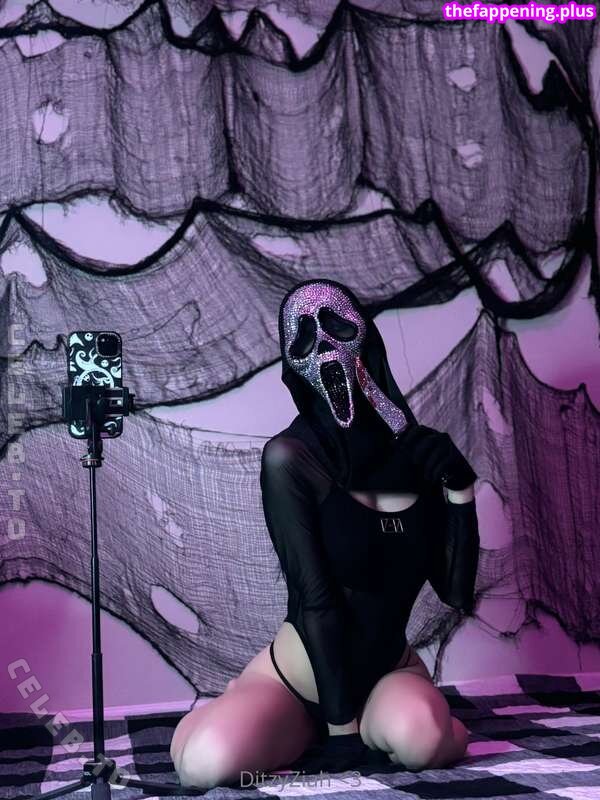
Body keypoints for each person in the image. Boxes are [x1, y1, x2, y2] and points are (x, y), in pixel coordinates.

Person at [170, 278, 480, 789]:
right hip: (297, 683)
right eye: (305, 337)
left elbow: (456, 593)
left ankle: (405, 721)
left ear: (365, 335)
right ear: (292, 365)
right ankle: (242, 709)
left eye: (337, 325)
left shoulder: (417, 453)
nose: (326, 347)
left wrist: (460, 492)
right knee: (205, 766)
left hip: (386, 676)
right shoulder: (291, 460)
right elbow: (316, 599)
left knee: (423, 743)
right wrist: (341, 730)